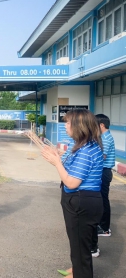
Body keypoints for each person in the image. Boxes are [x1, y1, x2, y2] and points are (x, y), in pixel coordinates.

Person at [41, 109, 103, 278]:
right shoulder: (80, 145)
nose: (65, 126)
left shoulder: (85, 150)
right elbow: (67, 164)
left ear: (79, 126)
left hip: (81, 201)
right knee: (77, 242)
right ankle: (77, 269)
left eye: (68, 123)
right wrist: (57, 156)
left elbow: (71, 182)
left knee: (79, 244)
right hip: (78, 200)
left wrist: (56, 162)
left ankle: (81, 273)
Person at [91, 114, 116, 255]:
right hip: (104, 171)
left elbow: (102, 156)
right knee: (102, 199)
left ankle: (104, 228)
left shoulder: (105, 138)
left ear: (101, 125)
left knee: (103, 200)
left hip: (104, 172)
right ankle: (104, 226)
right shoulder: (105, 137)